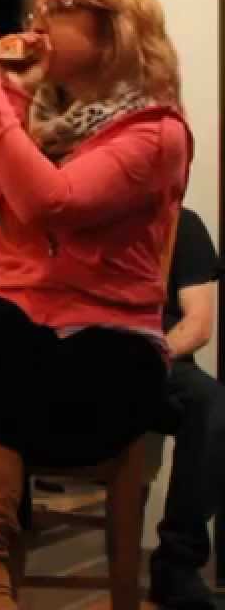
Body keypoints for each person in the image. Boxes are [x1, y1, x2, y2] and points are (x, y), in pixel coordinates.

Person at [0, 0, 191, 609]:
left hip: (104, 367)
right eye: (35, 10)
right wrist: (9, 94)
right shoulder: (25, 120)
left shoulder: (157, 135)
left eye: (60, 9)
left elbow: (55, 202)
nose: (36, 23)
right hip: (18, 358)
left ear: (116, 29)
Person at [148, 207, 224, 609]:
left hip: (161, 358)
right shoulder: (79, 210)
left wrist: (150, 358)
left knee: (212, 405)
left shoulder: (182, 225)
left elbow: (198, 323)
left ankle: (176, 565)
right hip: (88, 355)